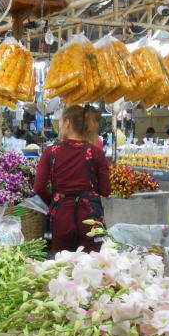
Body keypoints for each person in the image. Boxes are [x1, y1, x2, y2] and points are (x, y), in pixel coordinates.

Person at [34, 105, 111, 253]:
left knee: (63, 264)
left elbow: (38, 187)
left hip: (61, 217)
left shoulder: (50, 152)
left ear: (68, 122)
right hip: (90, 219)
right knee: (92, 263)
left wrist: (55, 201)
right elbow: (106, 190)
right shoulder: (96, 153)